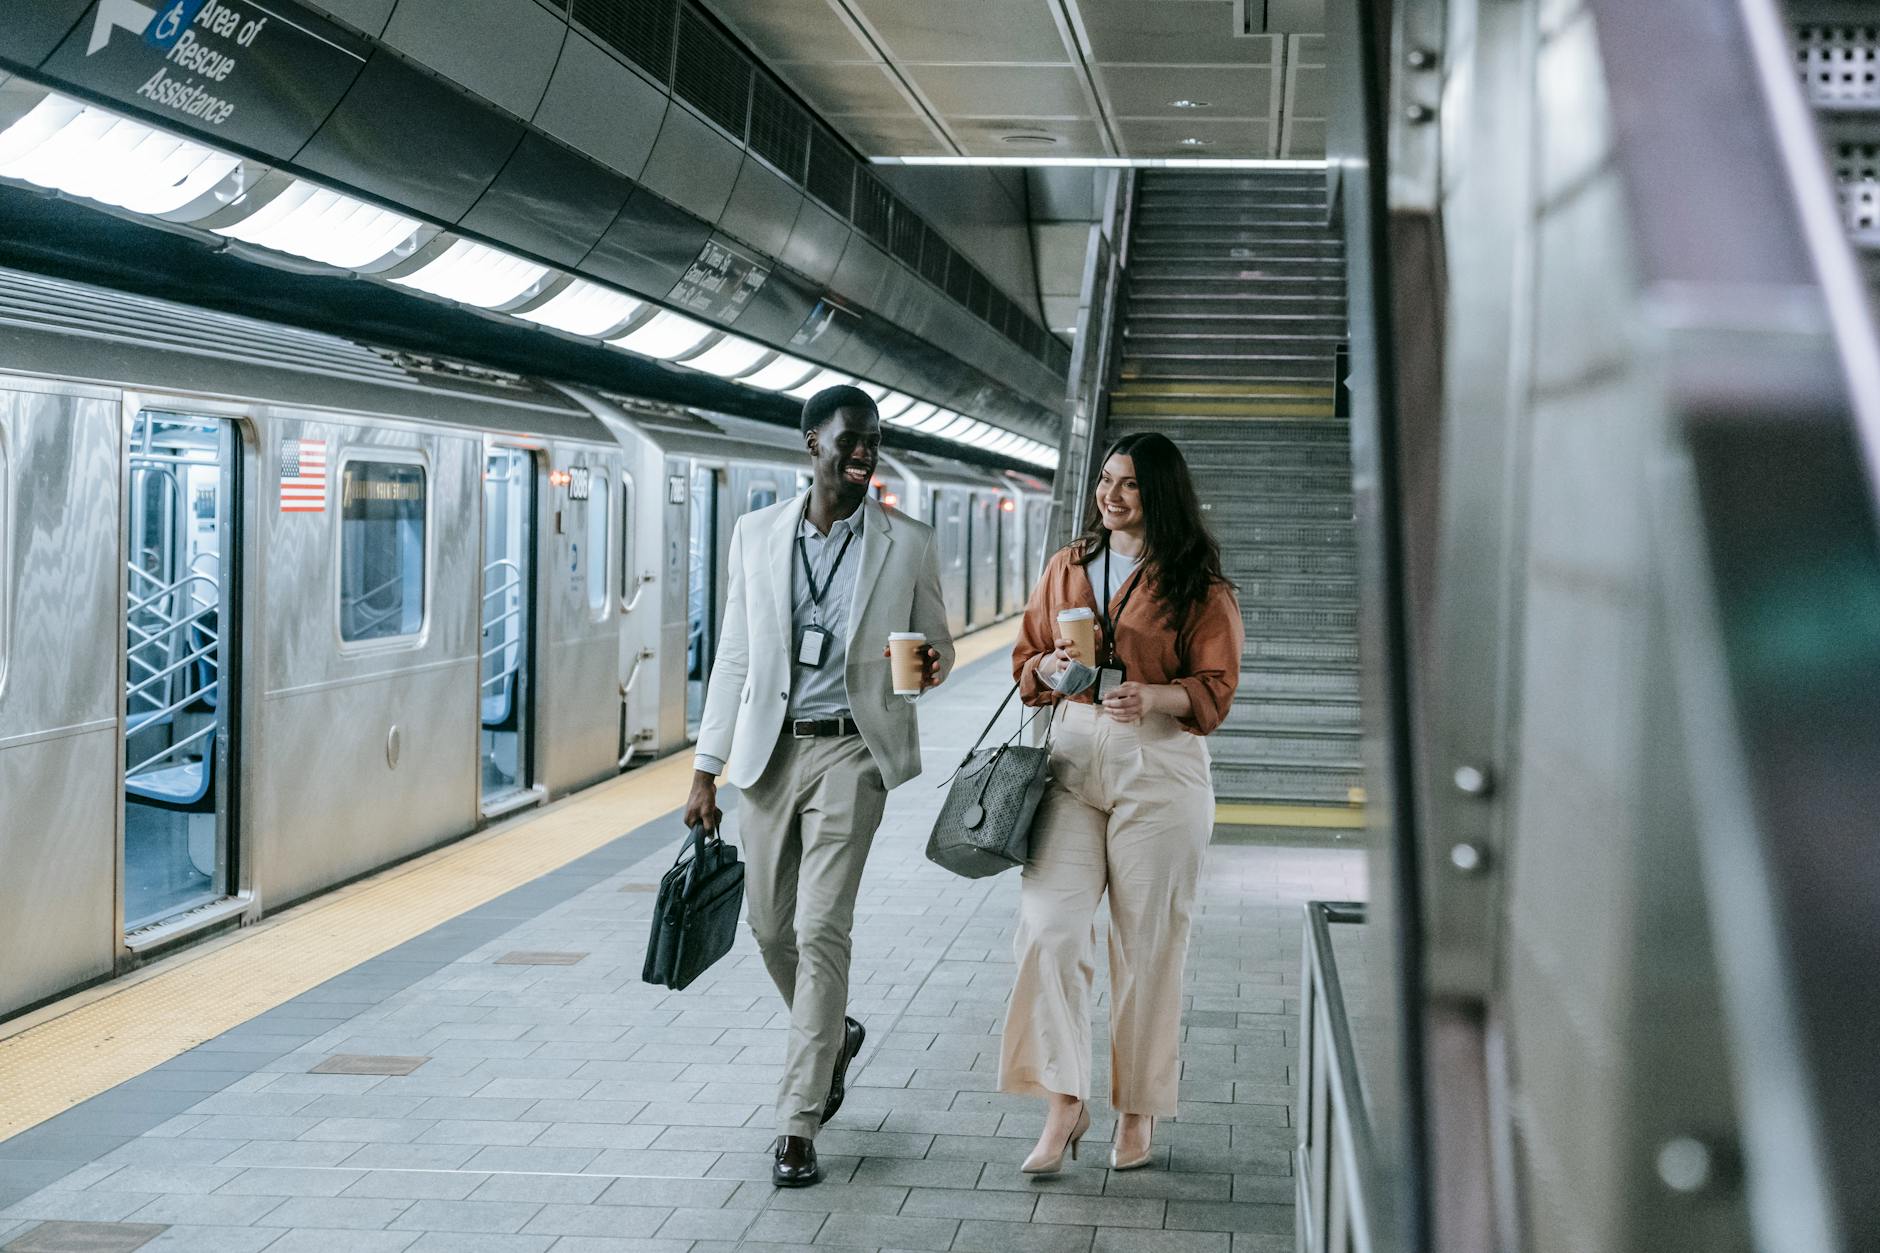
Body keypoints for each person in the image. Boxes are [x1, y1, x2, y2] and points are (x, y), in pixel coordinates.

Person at [683, 384, 954, 1188]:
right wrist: (706, 769)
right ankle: (835, 1033)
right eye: (851, 440)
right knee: (770, 929)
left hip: (852, 752)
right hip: (769, 755)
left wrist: (930, 666)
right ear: (812, 444)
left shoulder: (908, 540)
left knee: (822, 926)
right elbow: (735, 655)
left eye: (874, 439)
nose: (865, 452)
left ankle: (798, 1122)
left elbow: (933, 641)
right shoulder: (756, 534)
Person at [999, 430, 1242, 1174]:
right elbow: (1026, 659)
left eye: (1128, 484)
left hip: (1159, 764)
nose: (1110, 494)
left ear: (1158, 494)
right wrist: (1049, 663)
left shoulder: (1199, 584)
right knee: (1050, 927)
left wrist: (1158, 693)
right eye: (1106, 479)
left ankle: (1136, 1107)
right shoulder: (1068, 565)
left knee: (1146, 947)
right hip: (1072, 754)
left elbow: (1216, 687)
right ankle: (1064, 1097)